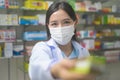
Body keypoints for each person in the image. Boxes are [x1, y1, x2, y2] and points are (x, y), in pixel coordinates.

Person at [29, 1, 96, 80]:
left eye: (66, 22)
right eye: (54, 24)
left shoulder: (83, 51)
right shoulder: (41, 48)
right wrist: (55, 70)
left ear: (75, 23)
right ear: (48, 26)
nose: (60, 28)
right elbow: (37, 69)